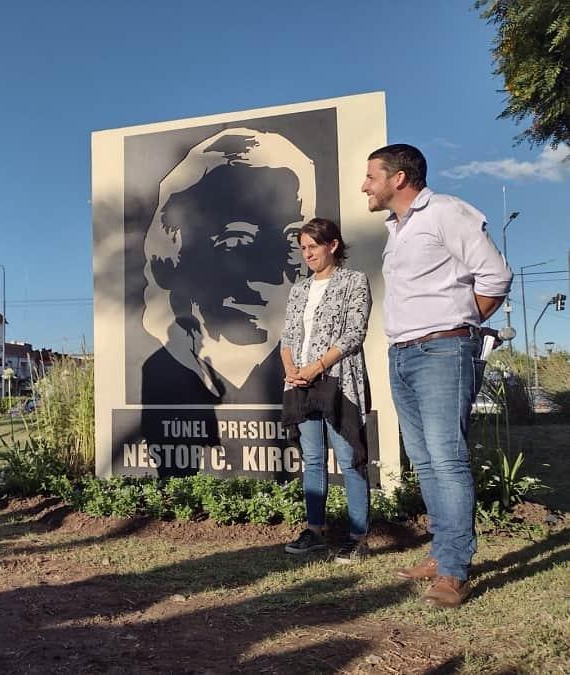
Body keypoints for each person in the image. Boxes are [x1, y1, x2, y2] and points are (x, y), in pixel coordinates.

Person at [362, 144, 512, 607]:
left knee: (446, 459)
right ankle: (442, 550)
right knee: (425, 461)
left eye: (371, 176)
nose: (364, 185)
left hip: (443, 350)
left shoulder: (446, 212)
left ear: (400, 179)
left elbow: (496, 276)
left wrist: (461, 327)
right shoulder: (398, 228)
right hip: (403, 354)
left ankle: (453, 570)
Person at [140, 128, 309, 404]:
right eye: (238, 239)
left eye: (294, 239)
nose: (275, 275)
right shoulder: (160, 364)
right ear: (171, 257)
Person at [279, 219, 372, 563]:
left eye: (313, 247)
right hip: (299, 383)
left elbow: (353, 333)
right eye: (302, 248)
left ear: (332, 245)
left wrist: (316, 367)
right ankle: (315, 531)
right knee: (313, 459)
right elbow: (287, 334)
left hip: (337, 381)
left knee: (349, 460)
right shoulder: (299, 289)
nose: (307, 254)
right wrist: (291, 369)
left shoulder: (354, 281)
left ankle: (358, 537)